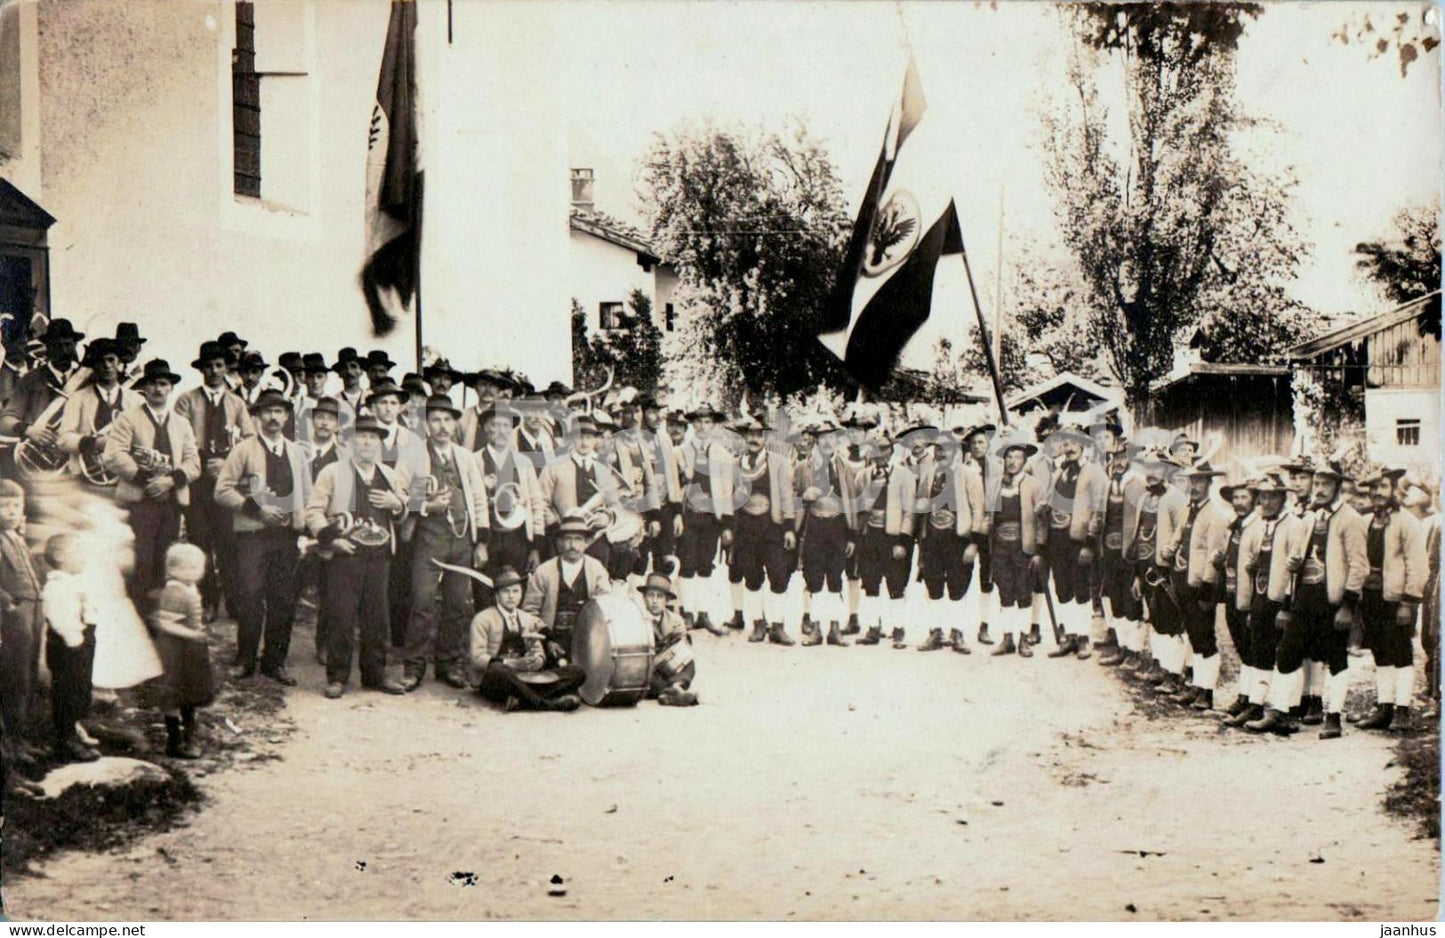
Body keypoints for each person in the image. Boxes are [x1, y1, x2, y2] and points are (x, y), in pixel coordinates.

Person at [1249, 460, 1367, 739]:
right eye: (1317, 484)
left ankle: (1333, 718)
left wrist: (1348, 606)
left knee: (1335, 658)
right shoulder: (1310, 518)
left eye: (1326, 484)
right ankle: (1281, 713)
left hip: (1333, 601)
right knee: (1288, 653)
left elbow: (1359, 565)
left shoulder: (1351, 519)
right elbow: (1296, 562)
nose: (1320, 489)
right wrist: (1287, 602)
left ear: (1338, 486)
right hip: (1305, 599)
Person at [305, 415, 409, 699]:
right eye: (361, 437)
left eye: (373, 437)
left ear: (379, 444)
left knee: (377, 619)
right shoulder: (332, 472)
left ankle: (375, 675)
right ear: (350, 442)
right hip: (345, 557)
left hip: (379, 557)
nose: (367, 442)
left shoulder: (389, 475)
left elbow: (402, 514)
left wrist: (396, 504)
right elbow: (313, 511)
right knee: (342, 616)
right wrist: (331, 539)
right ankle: (337, 677)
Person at [214, 388, 312, 684]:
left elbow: (307, 494)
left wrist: (303, 530)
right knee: (250, 596)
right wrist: (257, 510)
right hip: (253, 536)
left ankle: (275, 662)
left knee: (283, 599)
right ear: (257, 416)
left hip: (286, 537)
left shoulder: (296, 452)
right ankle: (245, 659)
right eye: (267, 411)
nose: (273, 417)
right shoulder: (243, 450)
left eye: (279, 411)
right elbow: (222, 490)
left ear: (286, 417)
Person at [400, 394, 490, 691]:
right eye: (435, 419)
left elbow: (479, 499)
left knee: (456, 604)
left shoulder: (465, 457)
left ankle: (448, 665)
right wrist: (426, 505)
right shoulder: (414, 456)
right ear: (426, 424)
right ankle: (413, 667)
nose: (442, 426)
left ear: (454, 425)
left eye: (447, 420)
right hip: (428, 539)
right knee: (422, 602)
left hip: (461, 541)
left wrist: (481, 542)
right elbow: (399, 495)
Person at [104, 359, 201, 605]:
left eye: (163, 384)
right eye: (152, 384)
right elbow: (113, 454)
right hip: (140, 501)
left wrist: (170, 481)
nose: (158, 389)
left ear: (171, 388)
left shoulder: (181, 423)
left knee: (165, 560)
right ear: (144, 388)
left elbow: (193, 462)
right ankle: (139, 615)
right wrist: (146, 480)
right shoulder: (128, 418)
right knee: (141, 560)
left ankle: (159, 616)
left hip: (171, 502)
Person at [174, 340, 254, 622]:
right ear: (201, 369)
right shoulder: (186, 400)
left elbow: (249, 440)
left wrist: (227, 464)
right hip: (197, 481)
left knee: (229, 543)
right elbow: (179, 438)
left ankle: (234, 600)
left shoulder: (237, 403)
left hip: (226, 482)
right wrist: (202, 462)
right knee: (200, 542)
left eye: (219, 365)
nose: (214, 371)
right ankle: (208, 601)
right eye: (208, 366)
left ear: (225, 367)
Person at [1355, 467, 1426, 732]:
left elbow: (1417, 564)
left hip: (1397, 598)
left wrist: (1408, 602)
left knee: (1401, 651)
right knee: (1379, 650)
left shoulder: (1407, 522)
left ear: (1394, 490)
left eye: (1383, 487)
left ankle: (1403, 710)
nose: (1377, 492)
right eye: (1373, 488)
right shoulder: (1366, 521)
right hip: (1372, 596)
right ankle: (1384, 708)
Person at [1231, 473, 1302, 730]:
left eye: (1273, 497)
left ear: (1283, 498)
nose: (1267, 502)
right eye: (1263, 497)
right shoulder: (1258, 526)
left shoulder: (1294, 525)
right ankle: (1256, 704)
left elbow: (1296, 570)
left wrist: (1287, 607)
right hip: (1261, 597)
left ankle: (1284, 711)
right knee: (1259, 649)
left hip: (1282, 602)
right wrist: (1252, 570)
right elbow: (1253, 565)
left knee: (1286, 654)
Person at [1160, 459, 1230, 710]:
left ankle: (1206, 693)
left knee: (1205, 637)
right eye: (1192, 481)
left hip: (1201, 587)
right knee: (1193, 634)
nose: (1195, 486)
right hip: (1184, 583)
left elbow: (1215, 555)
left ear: (1209, 483)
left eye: (1200, 481)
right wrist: (1168, 551)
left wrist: (1208, 590)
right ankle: (1195, 686)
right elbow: (1178, 537)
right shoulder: (1189, 510)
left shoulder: (1216, 515)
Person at [1037, 421, 1109, 660]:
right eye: (1065, 444)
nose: (1068, 448)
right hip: (1056, 539)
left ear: (1083, 446)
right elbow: (1052, 501)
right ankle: (1068, 637)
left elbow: (1099, 511)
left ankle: (1084, 639)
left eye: (1073, 443)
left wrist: (1089, 543)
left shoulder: (1094, 473)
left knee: (1081, 589)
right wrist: (1044, 508)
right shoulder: (1059, 472)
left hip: (1078, 541)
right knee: (1062, 589)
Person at [469, 566, 583, 712]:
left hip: (525, 678)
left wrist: (537, 660)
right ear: (497, 595)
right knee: (497, 670)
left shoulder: (527, 619)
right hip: (497, 679)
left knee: (577, 672)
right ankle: (548, 703)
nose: (511, 596)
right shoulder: (482, 619)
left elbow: (537, 650)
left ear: (521, 594)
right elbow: (477, 658)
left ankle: (522, 700)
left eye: (515, 591)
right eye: (506, 592)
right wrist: (511, 663)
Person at [912, 426, 983, 653]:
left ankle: (957, 632)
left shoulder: (969, 475)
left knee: (958, 586)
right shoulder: (929, 474)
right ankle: (936, 632)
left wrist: (974, 543)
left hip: (958, 540)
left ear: (956, 450)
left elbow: (979, 511)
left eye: (947, 448)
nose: (942, 453)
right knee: (933, 584)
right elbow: (920, 508)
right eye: (938, 449)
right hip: (933, 539)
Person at [729, 414, 798, 646]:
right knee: (752, 576)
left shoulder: (779, 462)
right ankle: (758, 624)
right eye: (750, 434)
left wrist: (789, 528)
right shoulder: (736, 465)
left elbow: (787, 496)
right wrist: (729, 528)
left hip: (772, 530)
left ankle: (777, 626)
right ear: (744, 437)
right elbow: (730, 498)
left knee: (778, 575)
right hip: (745, 531)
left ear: (766, 437)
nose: (754, 439)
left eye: (759, 434)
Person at [144, 542, 216, 759]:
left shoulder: (190, 587)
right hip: (175, 650)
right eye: (187, 568)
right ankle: (175, 740)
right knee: (174, 692)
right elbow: (164, 623)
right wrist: (191, 634)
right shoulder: (174, 591)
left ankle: (190, 734)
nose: (194, 572)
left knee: (189, 690)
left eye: (197, 567)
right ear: (173, 569)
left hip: (189, 650)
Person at [795, 421, 859, 647]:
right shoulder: (803, 467)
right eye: (823, 437)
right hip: (813, 526)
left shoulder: (845, 467)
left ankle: (834, 629)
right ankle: (816, 629)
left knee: (835, 578)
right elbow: (791, 497)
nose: (828, 442)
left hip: (837, 528)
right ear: (816, 440)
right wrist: (803, 496)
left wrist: (852, 536)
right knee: (814, 578)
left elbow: (852, 501)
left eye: (832, 437)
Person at [475, 402, 545, 608]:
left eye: (506, 426)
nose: (501, 431)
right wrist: (480, 542)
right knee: (485, 591)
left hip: (518, 539)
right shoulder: (474, 460)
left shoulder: (523, 462)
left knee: (516, 590)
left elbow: (536, 502)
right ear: (486, 428)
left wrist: (536, 547)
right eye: (495, 425)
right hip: (489, 538)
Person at [853, 426, 917, 649]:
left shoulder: (904, 475)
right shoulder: (863, 476)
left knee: (896, 583)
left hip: (893, 537)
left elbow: (910, 512)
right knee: (870, 582)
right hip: (870, 536)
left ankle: (898, 629)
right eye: (875, 449)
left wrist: (903, 541)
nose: (880, 454)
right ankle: (873, 628)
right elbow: (858, 507)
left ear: (891, 451)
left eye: (884, 449)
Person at [675, 405, 734, 634]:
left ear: (714, 425)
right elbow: (673, 487)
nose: (702, 426)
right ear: (692, 425)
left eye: (707, 422)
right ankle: (687, 612)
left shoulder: (723, 456)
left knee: (706, 564)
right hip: (688, 515)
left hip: (711, 518)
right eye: (698, 422)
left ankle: (703, 613)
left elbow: (727, 491)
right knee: (687, 562)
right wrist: (677, 514)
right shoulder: (680, 452)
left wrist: (727, 524)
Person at [521, 515, 611, 666]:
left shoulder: (596, 569)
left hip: (588, 642)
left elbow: (606, 606)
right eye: (568, 539)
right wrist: (547, 641)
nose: (572, 545)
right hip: (552, 642)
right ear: (559, 543)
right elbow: (529, 612)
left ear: (586, 543)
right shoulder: (544, 571)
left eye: (578, 539)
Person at [983, 436, 1042, 657]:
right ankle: (1007, 638)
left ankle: (1023, 639)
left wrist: (1038, 551)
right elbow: (987, 515)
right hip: (1000, 546)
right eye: (1009, 456)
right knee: (1005, 591)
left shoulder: (1033, 485)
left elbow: (1041, 522)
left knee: (1024, 592)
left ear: (1024, 460)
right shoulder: (995, 485)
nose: (1012, 461)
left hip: (1023, 546)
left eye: (1017, 457)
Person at [0, 480, 45, 769]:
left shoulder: (17, 538)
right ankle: (10, 745)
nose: (12, 511)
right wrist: (8, 604)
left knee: (28, 675)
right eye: (4, 505)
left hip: (33, 610)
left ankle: (20, 740)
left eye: (16, 505)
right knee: (14, 678)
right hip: (13, 616)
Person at [43, 532, 99, 762]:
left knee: (80, 689)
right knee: (67, 691)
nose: (84, 557)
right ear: (60, 557)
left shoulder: (74, 582)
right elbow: (59, 618)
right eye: (78, 552)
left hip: (81, 641)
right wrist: (74, 638)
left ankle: (74, 728)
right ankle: (65, 740)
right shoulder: (57, 586)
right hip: (67, 646)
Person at [58, 337, 139, 490]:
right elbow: (63, 439)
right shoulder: (78, 398)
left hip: (125, 480)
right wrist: (95, 443)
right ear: (94, 366)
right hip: (84, 479)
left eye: (111, 360)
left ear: (119, 364)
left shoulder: (137, 400)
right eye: (101, 361)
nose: (107, 365)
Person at [1095, 440, 1147, 668]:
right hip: (1109, 551)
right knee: (1115, 599)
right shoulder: (1108, 484)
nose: (1118, 462)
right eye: (1115, 457)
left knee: (1131, 601)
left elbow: (1144, 520)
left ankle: (1134, 652)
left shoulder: (1139, 483)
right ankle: (1122, 647)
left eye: (1123, 457)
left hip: (1130, 553)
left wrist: (1137, 549)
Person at [1215, 478, 1259, 717]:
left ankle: (1253, 700)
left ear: (1254, 500)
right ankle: (1244, 695)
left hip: (1250, 595)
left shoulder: (1258, 526)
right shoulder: (1234, 526)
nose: (1239, 502)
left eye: (1244, 497)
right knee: (1241, 645)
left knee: (1253, 647)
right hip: (1232, 592)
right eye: (1236, 498)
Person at [0, 317, 83, 444]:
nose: (64, 351)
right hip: (42, 449)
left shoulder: (86, 379)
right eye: (57, 346)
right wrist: (28, 430)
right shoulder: (30, 380)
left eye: (68, 345)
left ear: (75, 345)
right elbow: (6, 421)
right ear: (48, 347)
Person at [641, 572, 699, 706]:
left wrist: (683, 635)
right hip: (649, 667)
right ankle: (672, 692)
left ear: (666, 601)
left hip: (669, 666)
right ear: (644, 598)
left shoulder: (675, 619)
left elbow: (684, 649)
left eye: (659, 596)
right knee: (646, 678)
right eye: (650, 595)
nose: (654, 601)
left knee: (690, 662)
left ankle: (675, 688)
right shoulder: (638, 618)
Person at [331, 347, 368, 427]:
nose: (349, 371)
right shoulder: (333, 402)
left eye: (353, 366)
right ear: (339, 374)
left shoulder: (371, 398)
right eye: (344, 368)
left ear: (361, 371)